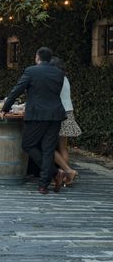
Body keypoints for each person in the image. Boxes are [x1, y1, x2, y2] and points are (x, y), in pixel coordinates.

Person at [3, 47, 66, 195]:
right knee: (48, 149)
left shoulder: (31, 71)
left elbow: (17, 90)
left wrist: (5, 107)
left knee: (28, 144)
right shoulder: (59, 73)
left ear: (37, 57)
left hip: (37, 114)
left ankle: (55, 173)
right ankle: (43, 185)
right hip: (56, 114)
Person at [51, 56, 81, 186]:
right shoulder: (64, 77)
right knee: (62, 147)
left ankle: (67, 171)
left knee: (47, 146)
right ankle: (65, 176)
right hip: (68, 112)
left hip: (58, 114)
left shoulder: (54, 78)